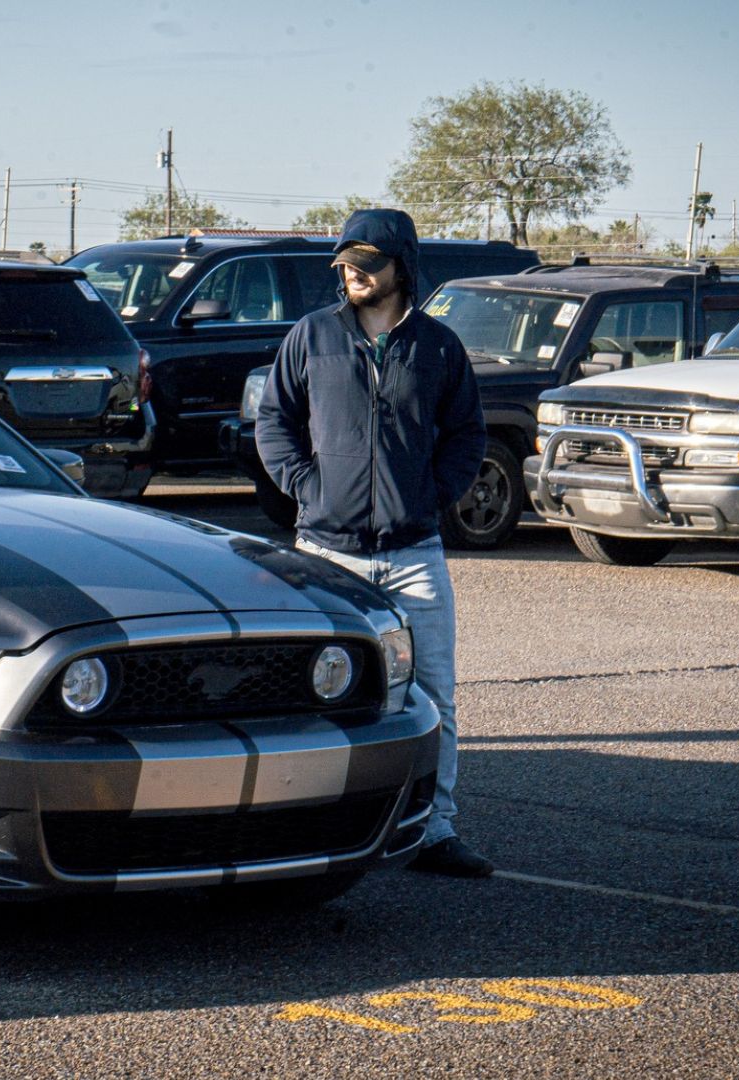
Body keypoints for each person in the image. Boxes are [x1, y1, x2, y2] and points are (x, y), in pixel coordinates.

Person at [254, 207, 492, 877]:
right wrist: (307, 487)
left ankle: (436, 832)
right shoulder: (313, 337)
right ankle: (299, 825)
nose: (353, 273)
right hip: (326, 553)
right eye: (345, 264)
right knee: (310, 697)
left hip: (415, 554)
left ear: (402, 268)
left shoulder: (438, 348)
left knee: (435, 693)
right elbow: (275, 421)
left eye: (367, 262)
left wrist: (433, 495)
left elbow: (468, 434)